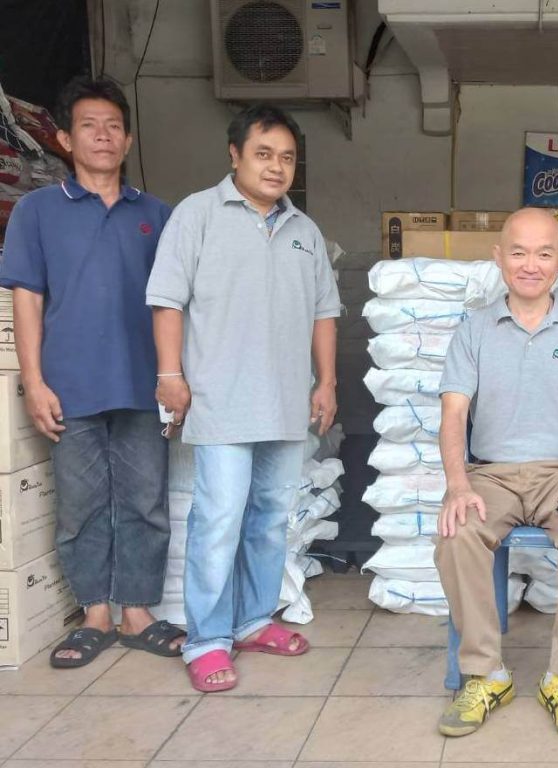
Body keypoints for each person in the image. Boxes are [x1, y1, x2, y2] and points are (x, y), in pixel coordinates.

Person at [146, 104, 342, 693]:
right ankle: (207, 640)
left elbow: (324, 313)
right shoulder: (197, 215)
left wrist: (326, 381)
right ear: (234, 156)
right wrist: (170, 374)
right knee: (219, 521)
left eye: (286, 157)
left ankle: (255, 620)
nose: (276, 167)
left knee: (267, 522)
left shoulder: (304, 231)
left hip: (286, 405)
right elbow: (166, 301)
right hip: (221, 401)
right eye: (264, 154)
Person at [0, 76, 184, 667]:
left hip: (142, 384)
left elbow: (176, 306)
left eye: (112, 126)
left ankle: (137, 612)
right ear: (63, 138)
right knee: (79, 505)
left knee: (145, 502)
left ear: (128, 140)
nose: (102, 136)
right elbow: (26, 298)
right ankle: (94, 614)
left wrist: (176, 376)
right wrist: (34, 380)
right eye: (88, 125)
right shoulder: (37, 212)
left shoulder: (158, 216)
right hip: (70, 385)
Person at [434, 207, 558, 743]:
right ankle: (485, 674)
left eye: (544, 253)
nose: (531, 264)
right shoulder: (473, 329)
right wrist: (458, 485)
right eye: (518, 252)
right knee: (458, 532)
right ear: (499, 258)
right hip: (490, 476)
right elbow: (453, 416)